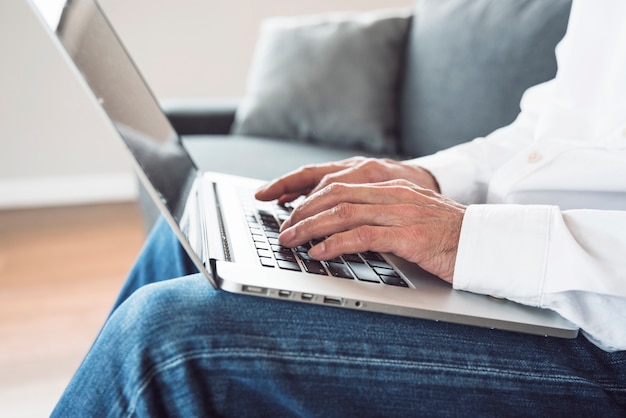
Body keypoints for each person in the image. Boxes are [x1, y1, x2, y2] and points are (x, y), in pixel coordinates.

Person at [52, 1, 626, 415]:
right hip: (529, 277)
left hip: (605, 336)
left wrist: (464, 241)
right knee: (195, 230)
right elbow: (551, 127)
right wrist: (425, 177)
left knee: (169, 338)